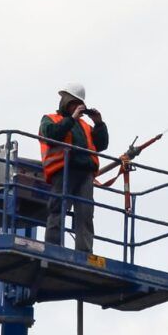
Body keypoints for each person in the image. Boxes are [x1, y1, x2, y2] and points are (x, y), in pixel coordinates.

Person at [39, 83, 107, 251]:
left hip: (85, 174)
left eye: (79, 104)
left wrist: (99, 124)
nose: (78, 107)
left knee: (85, 214)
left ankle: (84, 252)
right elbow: (51, 135)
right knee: (57, 210)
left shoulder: (85, 126)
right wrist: (71, 119)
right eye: (74, 103)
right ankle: (53, 248)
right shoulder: (50, 119)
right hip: (63, 171)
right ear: (66, 102)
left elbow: (101, 144)